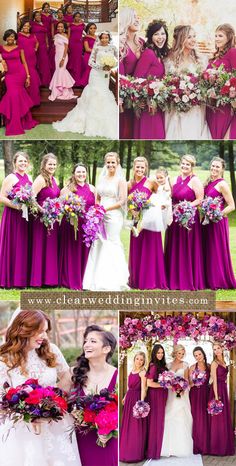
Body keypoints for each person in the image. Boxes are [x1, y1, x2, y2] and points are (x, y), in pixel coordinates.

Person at [0, 309, 81, 466]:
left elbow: (66, 378)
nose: (44, 337)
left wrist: (53, 404)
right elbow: (2, 398)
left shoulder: (51, 350)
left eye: (45, 331)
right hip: (22, 430)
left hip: (55, 425)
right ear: (23, 330)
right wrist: (27, 412)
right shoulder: (5, 359)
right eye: (39, 332)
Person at [52, 31, 118, 139]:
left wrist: (111, 65)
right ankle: (88, 123)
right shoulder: (96, 48)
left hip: (105, 75)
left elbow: (118, 59)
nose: (104, 39)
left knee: (103, 94)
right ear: (100, 38)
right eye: (103, 38)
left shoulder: (113, 48)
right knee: (94, 94)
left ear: (109, 38)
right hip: (96, 74)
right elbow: (90, 62)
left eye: (106, 38)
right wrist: (101, 67)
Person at [72, 325, 118, 466]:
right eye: (86, 341)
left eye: (93, 341)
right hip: (82, 440)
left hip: (108, 441)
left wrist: (111, 429)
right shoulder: (73, 374)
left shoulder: (117, 375)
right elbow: (59, 404)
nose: (86, 345)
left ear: (106, 349)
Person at [83, 152, 129, 291]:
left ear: (118, 163)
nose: (110, 165)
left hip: (113, 216)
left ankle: (114, 279)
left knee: (111, 243)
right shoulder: (101, 178)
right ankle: (94, 279)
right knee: (98, 243)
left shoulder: (121, 180)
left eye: (113, 162)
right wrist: (97, 209)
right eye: (108, 162)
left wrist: (105, 209)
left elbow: (122, 200)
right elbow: (97, 197)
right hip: (99, 215)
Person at [165, 154, 206, 290]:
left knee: (186, 247)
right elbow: (172, 196)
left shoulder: (195, 180)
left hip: (188, 218)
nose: (184, 166)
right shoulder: (176, 179)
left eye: (187, 164)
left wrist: (185, 207)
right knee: (175, 246)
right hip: (175, 218)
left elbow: (199, 199)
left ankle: (187, 279)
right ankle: (174, 278)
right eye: (183, 163)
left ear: (192, 167)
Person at [128, 156, 167, 290]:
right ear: (134, 167)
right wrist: (132, 209)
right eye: (137, 167)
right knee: (137, 249)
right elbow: (126, 202)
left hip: (150, 222)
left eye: (142, 167)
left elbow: (161, 195)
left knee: (150, 250)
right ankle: (136, 280)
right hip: (136, 221)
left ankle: (151, 280)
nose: (139, 169)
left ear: (146, 169)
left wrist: (159, 206)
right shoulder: (130, 184)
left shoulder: (151, 182)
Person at [164, 25, 210, 140]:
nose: (193, 39)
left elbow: (205, 83)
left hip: (196, 107)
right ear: (181, 39)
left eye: (194, 36)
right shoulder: (169, 60)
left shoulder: (202, 60)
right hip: (176, 106)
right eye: (189, 37)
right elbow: (166, 83)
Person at [59, 163, 95, 289]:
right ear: (74, 174)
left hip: (87, 227)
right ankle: (71, 279)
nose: (81, 174)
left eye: (83, 172)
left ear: (86, 173)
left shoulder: (92, 188)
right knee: (73, 251)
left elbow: (95, 206)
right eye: (78, 172)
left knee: (84, 252)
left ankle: (84, 280)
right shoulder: (67, 189)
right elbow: (60, 206)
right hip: (71, 225)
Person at [202, 157, 236, 289]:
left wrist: (216, 214)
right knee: (207, 249)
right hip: (206, 222)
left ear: (222, 169)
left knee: (216, 250)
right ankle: (207, 279)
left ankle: (218, 280)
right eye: (213, 166)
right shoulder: (208, 182)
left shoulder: (222, 184)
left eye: (217, 167)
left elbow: (232, 206)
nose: (214, 169)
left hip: (217, 222)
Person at [0, 152, 31, 288]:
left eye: (25, 161)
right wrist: (16, 206)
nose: (23, 164)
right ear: (14, 163)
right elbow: (1, 197)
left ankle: (20, 279)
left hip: (24, 217)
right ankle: (8, 279)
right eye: (20, 161)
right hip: (13, 216)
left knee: (22, 245)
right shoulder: (11, 177)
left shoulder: (29, 177)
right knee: (12, 244)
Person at [133, 20, 169, 139]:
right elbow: (137, 79)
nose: (160, 37)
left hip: (158, 104)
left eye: (163, 34)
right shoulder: (148, 53)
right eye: (156, 34)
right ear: (150, 36)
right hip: (147, 106)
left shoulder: (160, 55)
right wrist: (140, 100)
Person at [0, 29, 38, 136]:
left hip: (20, 73)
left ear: (15, 38)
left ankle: (17, 123)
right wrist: (1, 60)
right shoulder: (1, 48)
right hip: (9, 76)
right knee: (14, 95)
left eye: (12, 36)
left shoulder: (19, 48)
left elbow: (24, 62)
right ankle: (18, 121)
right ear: (5, 37)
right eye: (9, 36)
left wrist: (28, 76)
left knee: (16, 96)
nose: (10, 38)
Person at [30, 153, 60, 287]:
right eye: (50, 164)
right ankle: (38, 280)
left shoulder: (54, 179)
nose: (52, 166)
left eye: (54, 164)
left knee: (50, 248)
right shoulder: (41, 179)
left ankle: (50, 279)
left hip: (52, 218)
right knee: (41, 246)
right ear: (44, 165)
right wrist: (42, 210)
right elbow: (31, 197)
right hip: (41, 219)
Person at [161, 344, 193, 457]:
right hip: (170, 394)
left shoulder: (185, 365)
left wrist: (182, 388)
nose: (181, 355)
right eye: (179, 353)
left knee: (180, 416)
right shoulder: (168, 364)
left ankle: (181, 447)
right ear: (175, 353)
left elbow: (186, 380)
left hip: (181, 394)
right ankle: (167, 447)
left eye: (183, 353)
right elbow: (165, 379)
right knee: (168, 416)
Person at [206, 24, 236, 139]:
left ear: (228, 37)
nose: (217, 38)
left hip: (224, 105)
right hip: (211, 104)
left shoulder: (232, 52)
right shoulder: (216, 56)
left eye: (220, 36)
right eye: (216, 36)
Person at [119, 7, 144, 139]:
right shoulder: (121, 45)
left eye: (137, 16)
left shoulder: (142, 43)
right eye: (134, 17)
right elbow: (120, 75)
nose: (137, 19)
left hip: (142, 97)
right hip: (126, 97)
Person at [119, 352, 147, 463]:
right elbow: (129, 387)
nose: (139, 361)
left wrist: (141, 403)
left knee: (136, 426)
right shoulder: (131, 371)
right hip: (129, 399)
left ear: (144, 361)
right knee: (128, 425)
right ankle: (125, 451)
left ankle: (135, 453)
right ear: (134, 359)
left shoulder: (142, 372)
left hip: (136, 400)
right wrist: (125, 396)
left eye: (141, 360)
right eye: (137, 359)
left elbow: (144, 389)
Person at [208, 342, 235, 456]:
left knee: (224, 418)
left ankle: (225, 445)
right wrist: (216, 396)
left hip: (224, 389)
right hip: (217, 390)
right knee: (217, 420)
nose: (217, 351)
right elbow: (213, 380)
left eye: (218, 348)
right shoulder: (214, 363)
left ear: (222, 349)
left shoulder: (224, 362)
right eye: (214, 349)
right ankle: (217, 448)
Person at [146, 344, 168, 459]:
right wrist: (164, 385)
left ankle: (158, 448)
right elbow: (149, 383)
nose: (160, 354)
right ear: (154, 353)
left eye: (162, 353)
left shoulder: (161, 365)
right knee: (156, 421)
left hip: (161, 395)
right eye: (158, 352)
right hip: (155, 395)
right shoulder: (154, 366)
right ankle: (153, 451)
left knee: (159, 421)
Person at [189, 346, 210, 454]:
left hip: (206, 394)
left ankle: (206, 445)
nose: (198, 357)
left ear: (203, 354)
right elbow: (189, 383)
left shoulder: (209, 366)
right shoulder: (192, 367)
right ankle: (197, 445)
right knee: (197, 419)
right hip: (195, 394)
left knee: (206, 419)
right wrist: (196, 381)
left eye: (199, 354)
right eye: (195, 355)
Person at [48, 21, 75, 101]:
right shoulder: (56, 36)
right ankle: (59, 90)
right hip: (57, 56)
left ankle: (62, 90)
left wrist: (63, 59)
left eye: (61, 26)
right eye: (58, 27)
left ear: (64, 28)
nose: (59, 28)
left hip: (63, 56)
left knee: (61, 70)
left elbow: (66, 48)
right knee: (58, 71)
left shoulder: (65, 36)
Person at [17, 20, 41, 106]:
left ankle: (34, 100)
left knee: (33, 76)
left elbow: (37, 43)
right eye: (24, 26)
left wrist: (35, 49)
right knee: (29, 77)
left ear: (30, 27)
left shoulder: (32, 35)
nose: (26, 27)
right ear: (21, 27)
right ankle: (27, 101)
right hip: (23, 59)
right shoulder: (18, 35)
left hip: (32, 59)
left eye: (27, 26)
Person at [31, 11, 51, 86]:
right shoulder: (32, 24)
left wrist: (47, 44)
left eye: (39, 15)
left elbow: (45, 35)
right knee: (37, 62)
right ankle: (37, 81)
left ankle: (45, 81)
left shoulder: (43, 24)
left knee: (44, 62)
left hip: (43, 45)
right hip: (35, 45)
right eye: (36, 15)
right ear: (34, 17)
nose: (38, 16)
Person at [67, 12, 85, 86]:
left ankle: (77, 81)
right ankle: (71, 80)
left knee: (78, 61)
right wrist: (67, 45)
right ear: (73, 17)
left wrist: (83, 38)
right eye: (76, 16)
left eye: (79, 16)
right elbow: (68, 35)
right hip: (72, 44)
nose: (77, 18)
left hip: (79, 44)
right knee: (72, 60)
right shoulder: (70, 25)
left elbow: (86, 33)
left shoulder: (82, 25)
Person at [79, 22, 97, 87]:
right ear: (88, 29)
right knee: (88, 70)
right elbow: (87, 49)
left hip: (96, 57)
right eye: (91, 28)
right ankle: (86, 86)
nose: (93, 30)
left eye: (94, 28)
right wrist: (97, 51)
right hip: (88, 56)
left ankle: (92, 85)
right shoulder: (86, 37)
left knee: (94, 72)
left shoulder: (98, 37)